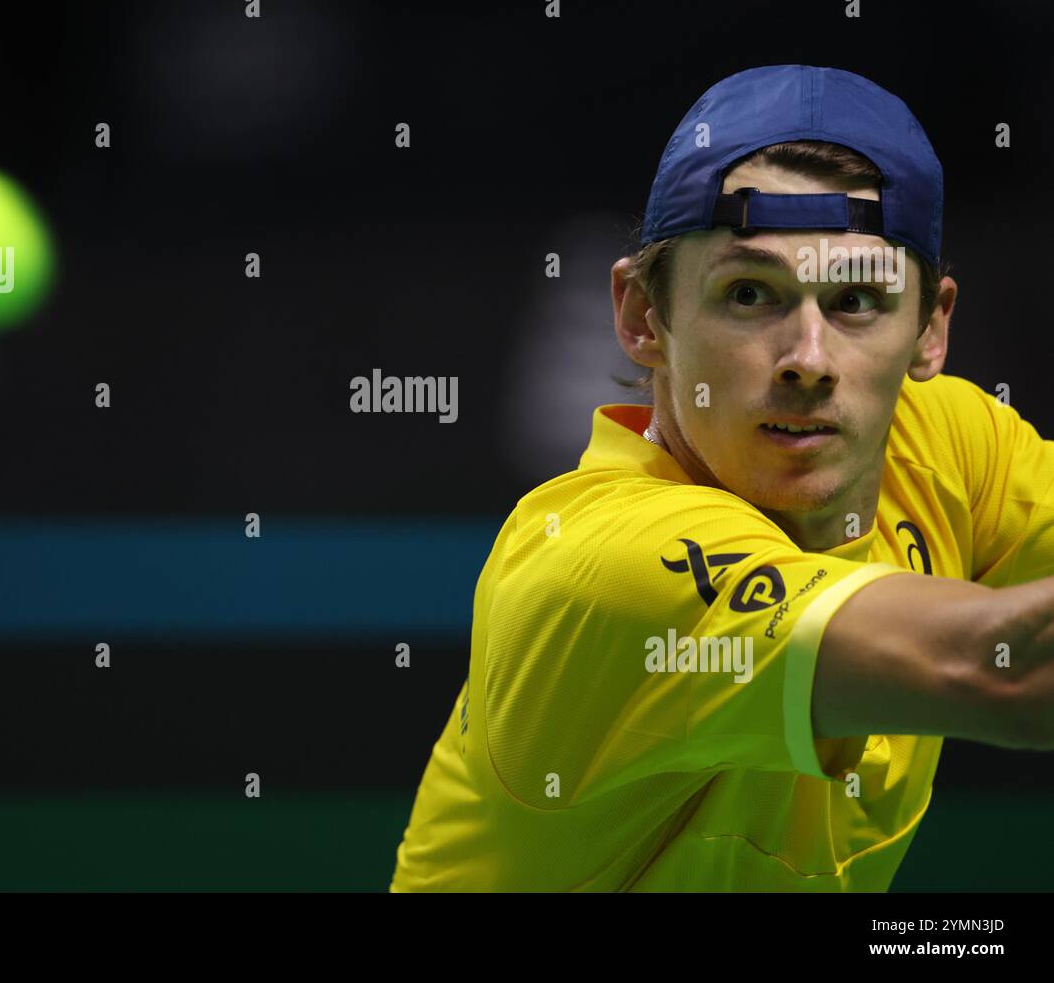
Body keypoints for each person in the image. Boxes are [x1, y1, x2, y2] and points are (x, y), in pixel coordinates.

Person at [390, 64, 1054, 892]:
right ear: (642, 317)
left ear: (930, 329)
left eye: (856, 302)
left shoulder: (947, 447)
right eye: (750, 293)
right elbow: (1012, 668)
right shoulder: (602, 570)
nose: (809, 361)